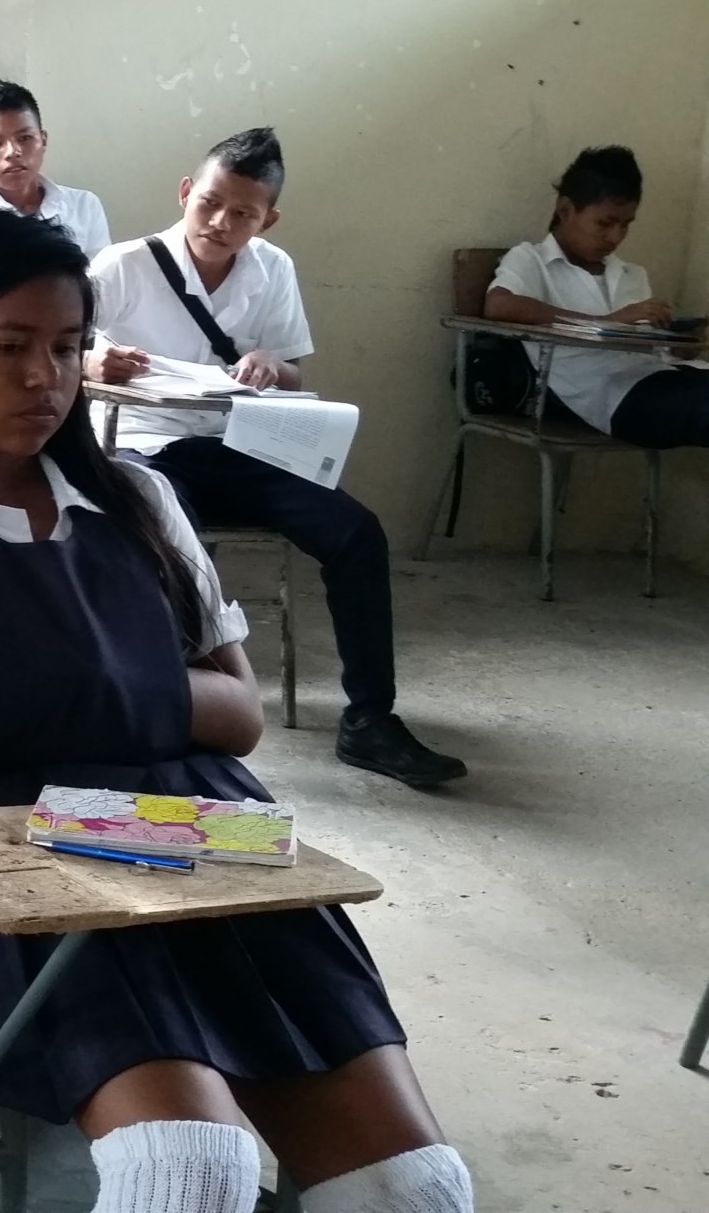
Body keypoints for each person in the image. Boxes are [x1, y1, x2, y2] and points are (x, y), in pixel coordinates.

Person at [0, 210, 474, 1213]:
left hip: (192, 827)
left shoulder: (140, 498)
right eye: (7, 347)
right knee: (193, 1171)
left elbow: (235, 713)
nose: (43, 378)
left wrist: (47, 698)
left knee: (416, 1189)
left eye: (64, 348)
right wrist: (80, 717)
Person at [87, 128, 464, 787]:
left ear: (269, 218)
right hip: (142, 444)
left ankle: (370, 719)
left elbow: (293, 370)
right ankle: (160, 704)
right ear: (185, 192)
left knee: (356, 532)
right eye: (209, 204)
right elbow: (65, 342)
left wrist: (271, 366)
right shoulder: (122, 266)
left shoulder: (273, 269)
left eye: (244, 214)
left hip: (236, 444)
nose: (221, 223)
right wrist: (95, 358)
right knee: (161, 537)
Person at [484, 146, 709, 446]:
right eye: (605, 223)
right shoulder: (530, 260)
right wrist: (605, 322)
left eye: (626, 225)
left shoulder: (631, 274)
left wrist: (684, 344)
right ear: (566, 211)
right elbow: (499, 304)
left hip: (665, 377)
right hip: (600, 395)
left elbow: (657, 353)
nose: (615, 237)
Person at [0, 79, 111, 255]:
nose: (13, 152)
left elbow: (100, 280)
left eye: (25, 138)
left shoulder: (83, 207)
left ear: (43, 141)